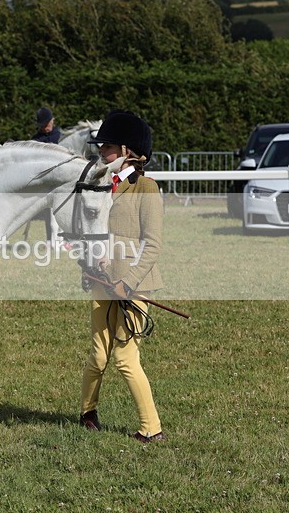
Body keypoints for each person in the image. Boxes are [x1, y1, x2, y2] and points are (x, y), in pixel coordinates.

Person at [79, 109, 165, 444]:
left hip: (133, 286)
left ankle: (151, 427)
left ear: (128, 150)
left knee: (125, 358)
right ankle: (87, 412)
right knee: (98, 353)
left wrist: (127, 283)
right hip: (102, 283)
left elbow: (153, 245)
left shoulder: (146, 188)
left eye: (108, 146)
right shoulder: (101, 186)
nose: (102, 151)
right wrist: (87, 268)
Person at [31, 107, 63, 244]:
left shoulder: (60, 137)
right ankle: (50, 240)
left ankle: (64, 240)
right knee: (48, 213)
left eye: (47, 124)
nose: (45, 128)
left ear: (52, 121)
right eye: (42, 126)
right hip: (45, 181)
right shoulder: (35, 140)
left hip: (61, 180)